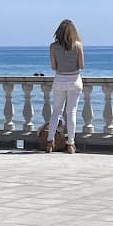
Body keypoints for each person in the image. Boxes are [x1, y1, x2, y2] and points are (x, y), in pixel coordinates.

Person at [43, 19, 84, 153]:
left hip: (60, 79)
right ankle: (71, 144)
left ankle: (49, 142)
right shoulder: (78, 45)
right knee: (71, 112)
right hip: (74, 80)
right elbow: (81, 65)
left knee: (56, 112)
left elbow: (54, 66)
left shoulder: (53, 47)